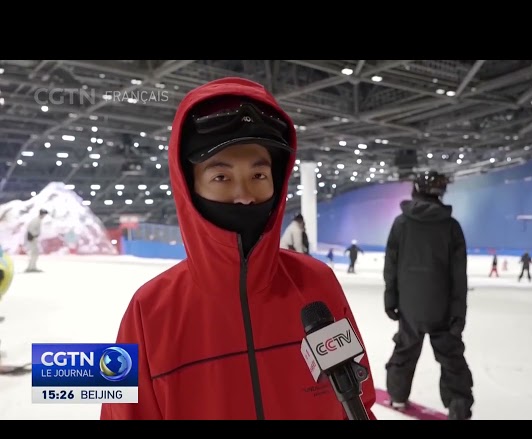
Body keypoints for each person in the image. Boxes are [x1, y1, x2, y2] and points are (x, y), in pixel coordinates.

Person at [100, 77, 377, 420]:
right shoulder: (148, 311)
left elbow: (359, 403)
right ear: (190, 186)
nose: (244, 195)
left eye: (259, 176)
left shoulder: (318, 285)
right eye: (221, 177)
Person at [383, 170, 473, 420]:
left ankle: (398, 396)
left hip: (410, 304)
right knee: (450, 356)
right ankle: (458, 404)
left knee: (405, 349)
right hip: (442, 306)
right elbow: (459, 276)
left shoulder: (401, 223)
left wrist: (391, 298)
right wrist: (458, 313)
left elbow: (391, 264)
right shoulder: (451, 227)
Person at [25, 208, 47, 272]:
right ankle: (31, 267)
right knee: (33, 253)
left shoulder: (38, 220)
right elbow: (31, 230)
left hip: (34, 239)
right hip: (32, 239)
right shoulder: (36, 220)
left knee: (34, 253)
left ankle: (32, 267)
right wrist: (35, 235)